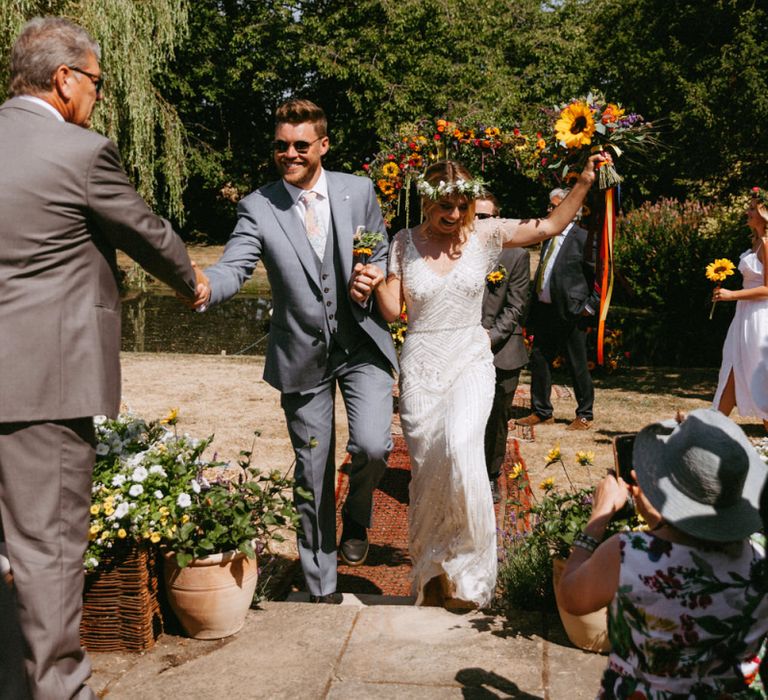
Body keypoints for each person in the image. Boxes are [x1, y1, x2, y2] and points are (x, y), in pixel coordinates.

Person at [0, 17, 201, 699]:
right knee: (48, 552)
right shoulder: (79, 154)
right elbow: (146, 231)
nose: (98, 97)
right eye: (96, 82)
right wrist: (192, 283)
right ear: (63, 80)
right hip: (42, 390)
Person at [353, 156, 601, 609]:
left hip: (470, 358)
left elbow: (547, 226)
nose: (452, 215)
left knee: (463, 450)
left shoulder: (486, 235)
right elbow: (392, 309)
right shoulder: (403, 242)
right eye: (444, 207)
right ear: (426, 203)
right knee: (429, 469)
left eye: (460, 206)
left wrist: (583, 182)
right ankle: (431, 569)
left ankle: (469, 576)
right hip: (422, 365)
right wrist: (366, 280)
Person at [194, 99, 397, 604]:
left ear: (322, 145)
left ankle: (358, 513)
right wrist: (201, 285)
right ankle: (321, 588)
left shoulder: (359, 190)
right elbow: (233, 268)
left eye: (301, 145)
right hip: (301, 356)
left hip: (362, 343)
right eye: (282, 146)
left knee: (373, 446)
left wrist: (372, 275)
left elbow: (381, 246)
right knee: (311, 471)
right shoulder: (258, 206)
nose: (290, 154)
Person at [558, 408, 768, 698]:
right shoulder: (760, 556)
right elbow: (697, 555)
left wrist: (599, 517)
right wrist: (660, 522)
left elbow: (571, 597)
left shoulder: (628, 555)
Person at [516, 187, 599, 431]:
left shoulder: (584, 237)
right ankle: (542, 411)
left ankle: (585, 414)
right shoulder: (549, 235)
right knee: (540, 359)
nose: (548, 210)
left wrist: (590, 306)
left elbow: (600, 275)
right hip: (546, 310)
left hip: (573, 312)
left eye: (554, 206)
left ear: (570, 210)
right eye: (550, 206)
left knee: (577, 363)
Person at [477, 193, 530, 503]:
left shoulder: (515, 255)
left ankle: (491, 473)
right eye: (475, 216)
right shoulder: (456, 252)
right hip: (461, 350)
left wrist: (489, 338)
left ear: (496, 220)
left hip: (502, 351)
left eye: (485, 217)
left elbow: (516, 307)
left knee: (496, 419)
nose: (478, 222)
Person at [713, 187, 768, 432]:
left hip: (761, 318)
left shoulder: (767, 243)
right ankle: (707, 432)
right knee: (732, 370)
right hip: (744, 317)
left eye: (751, 208)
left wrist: (732, 295)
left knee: (761, 379)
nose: (747, 212)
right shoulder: (756, 242)